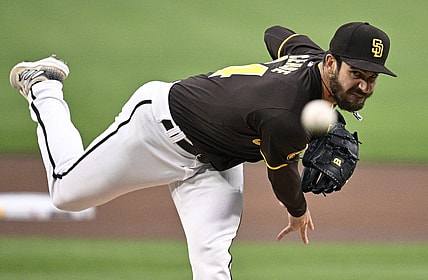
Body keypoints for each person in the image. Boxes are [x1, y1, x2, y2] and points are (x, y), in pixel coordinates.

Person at [9, 22, 396, 279]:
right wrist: (299, 212)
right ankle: (43, 84)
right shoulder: (285, 115)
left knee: (212, 266)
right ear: (332, 63)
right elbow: (282, 178)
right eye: (356, 74)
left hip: (216, 164)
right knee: (66, 192)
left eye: (371, 77)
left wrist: (293, 61)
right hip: (157, 131)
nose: (363, 85)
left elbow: (276, 32)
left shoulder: (310, 60)